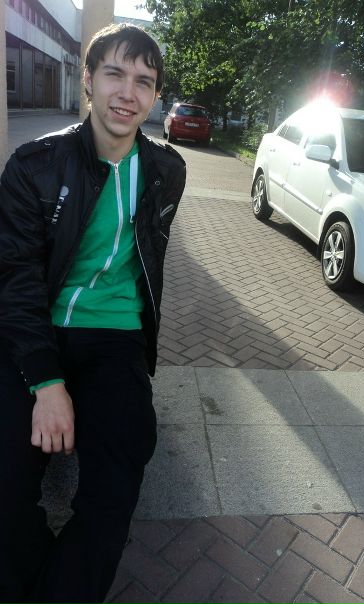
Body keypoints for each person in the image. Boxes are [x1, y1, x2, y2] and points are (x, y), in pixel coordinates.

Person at [0, 23, 186, 604]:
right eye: (114, 73)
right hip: (38, 330)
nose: (128, 92)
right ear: (87, 79)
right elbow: (15, 277)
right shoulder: (34, 165)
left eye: (144, 81)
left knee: (116, 481)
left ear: (155, 96)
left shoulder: (167, 170)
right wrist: (47, 381)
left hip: (115, 339)